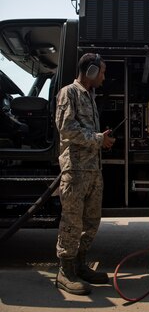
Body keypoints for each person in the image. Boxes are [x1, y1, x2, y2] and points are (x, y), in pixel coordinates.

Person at [55, 53, 115, 295]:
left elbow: (85, 132)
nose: (103, 77)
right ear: (90, 71)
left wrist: (101, 139)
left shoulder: (89, 95)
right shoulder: (69, 93)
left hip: (92, 169)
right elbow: (67, 128)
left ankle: (79, 265)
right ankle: (65, 272)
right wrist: (98, 139)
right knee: (72, 220)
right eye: (101, 72)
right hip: (76, 170)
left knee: (90, 221)